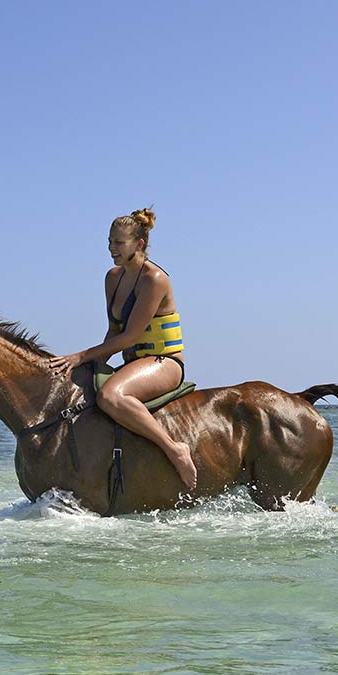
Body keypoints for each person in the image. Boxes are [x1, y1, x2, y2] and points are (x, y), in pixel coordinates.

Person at [49, 207, 197, 489]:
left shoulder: (154, 280)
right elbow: (114, 331)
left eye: (119, 243)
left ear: (139, 244)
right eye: (109, 241)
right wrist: (85, 365)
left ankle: (174, 449)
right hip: (133, 364)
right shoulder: (112, 278)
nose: (111, 248)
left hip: (163, 362)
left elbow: (130, 337)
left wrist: (80, 355)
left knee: (109, 395)